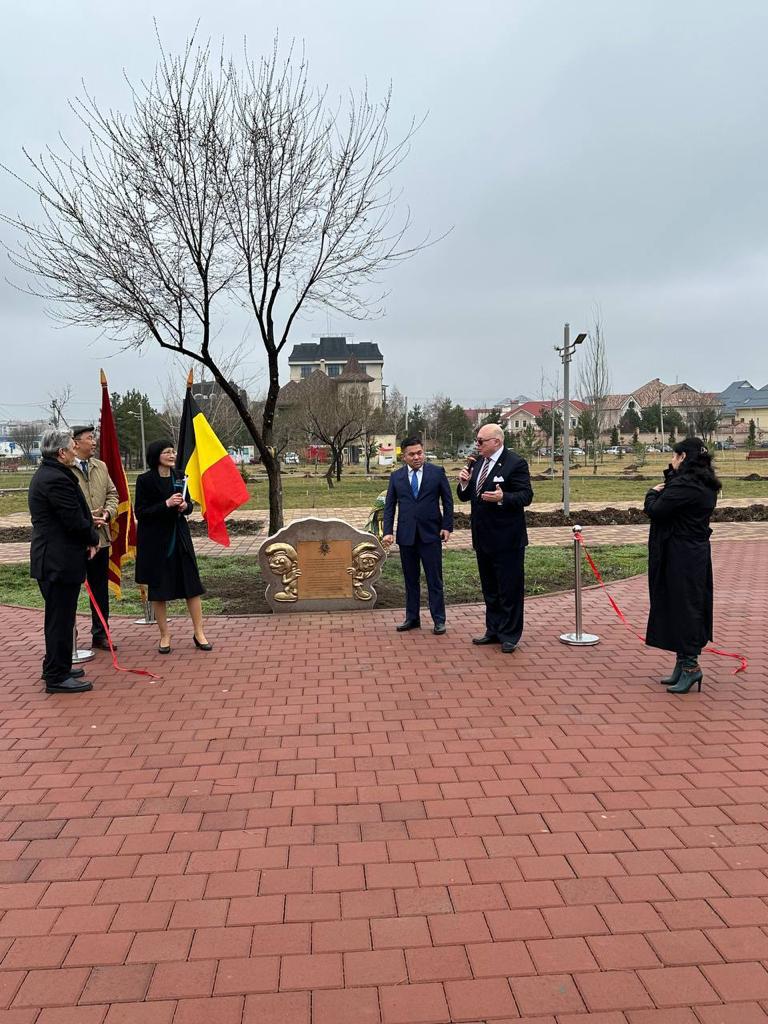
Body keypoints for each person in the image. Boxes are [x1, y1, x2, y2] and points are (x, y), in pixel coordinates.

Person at [644, 436, 721, 694]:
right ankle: (682, 663)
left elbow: (658, 510)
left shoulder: (687, 486)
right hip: (692, 553)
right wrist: (670, 477)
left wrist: (651, 493)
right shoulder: (703, 483)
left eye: (674, 456)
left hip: (682, 554)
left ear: (684, 457)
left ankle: (690, 667)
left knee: (685, 607)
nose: (671, 460)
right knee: (681, 605)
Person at [29, 428, 100, 694]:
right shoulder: (55, 479)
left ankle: (56, 665)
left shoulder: (52, 473)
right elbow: (72, 519)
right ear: (61, 453)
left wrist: (87, 523)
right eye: (72, 447)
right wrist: (92, 537)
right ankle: (56, 677)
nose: (74, 451)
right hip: (56, 560)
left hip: (58, 558)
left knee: (62, 617)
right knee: (59, 620)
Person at [457, 423, 533, 653]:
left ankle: (509, 634)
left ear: (496, 442)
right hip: (483, 537)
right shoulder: (478, 462)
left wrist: (503, 497)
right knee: (490, 588)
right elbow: (466, 497)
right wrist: (464, 483)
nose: (477, 445)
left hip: (507, 538)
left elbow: (526, 496)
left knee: (509, 588)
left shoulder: (515, 463)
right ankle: (493, 629)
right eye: (477, 440)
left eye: (481, 441)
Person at [135, 439, 212, 654]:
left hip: (180, 538)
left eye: (173, 451)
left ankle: (199, 632)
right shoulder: (145, 480)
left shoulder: (180, 476)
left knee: (192, 586)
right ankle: (165, 635)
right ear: (156, 455)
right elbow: (141, 512)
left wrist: (185, 506)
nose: (172, 455)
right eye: (167, 452)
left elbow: (189, 505)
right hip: (156, 542)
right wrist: (166, 504)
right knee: (159, 589)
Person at [383, 436, 454, 634]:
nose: (417, 457)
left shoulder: (437, 473)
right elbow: (389, 507)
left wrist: (447, 526)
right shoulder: (396, 477)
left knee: (434, 579)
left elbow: (448, 501)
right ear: (404, 457)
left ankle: (439, 620)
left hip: (431, 535)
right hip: (407, 536)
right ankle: (412, 618)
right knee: (410, 580)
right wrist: (387, 531)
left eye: (420, 453)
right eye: (412, 454)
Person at [70, 424, 119, 650]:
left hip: (100, 537)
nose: (94, 442)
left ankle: (100, 634)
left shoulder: (101, 466)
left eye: (94, 437)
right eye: (90, 438)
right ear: (75, 442)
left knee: (99, 589)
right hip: (74, 540)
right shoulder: (65, 469)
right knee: (70, 590)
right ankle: (69, 638)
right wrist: (85, 518)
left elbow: (112, 494)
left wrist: (107, 513)